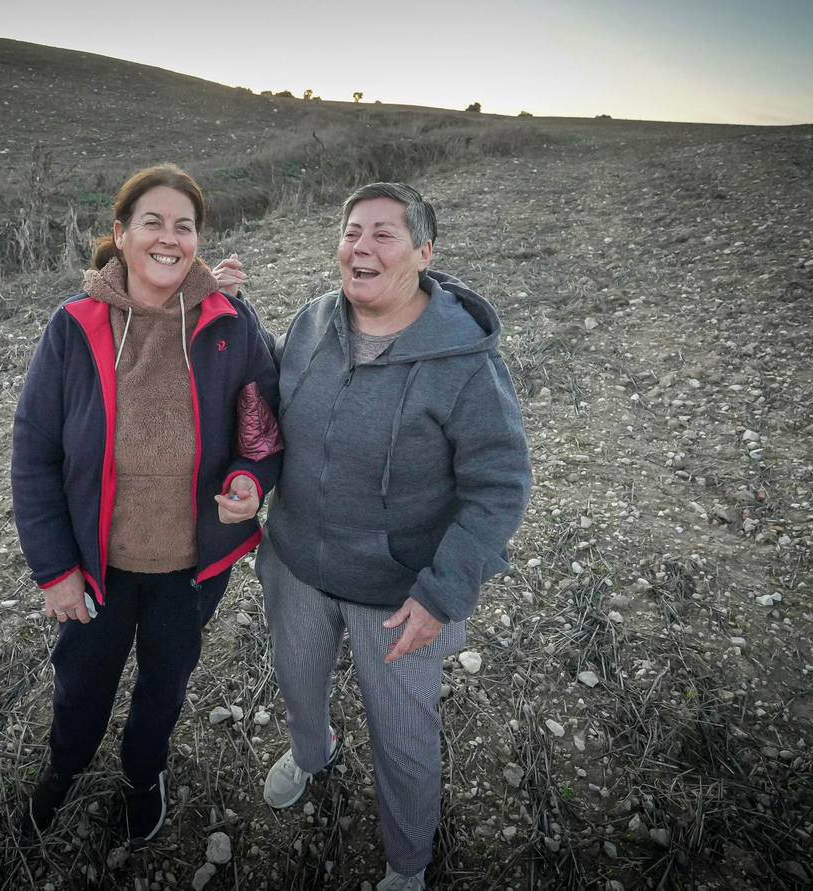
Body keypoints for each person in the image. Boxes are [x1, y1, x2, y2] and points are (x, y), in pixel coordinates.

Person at [256, 182, 531, 891]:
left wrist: (442, 593)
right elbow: (267, 404)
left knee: (405, 738)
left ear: (423, 252)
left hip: (399, 591)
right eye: (352, 231)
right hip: (296, 561)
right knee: (297, 678)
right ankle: (312, 754)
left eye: (384, 233)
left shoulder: (464, 362)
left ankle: (407, 864)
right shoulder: (314, 320)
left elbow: (499, 486)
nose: (362, 247)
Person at [11, 164, 280, 843]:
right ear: (121, 234)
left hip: (192, 566)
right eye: (153, 222)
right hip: (98, 564)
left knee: (165, 681)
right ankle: (65, 765)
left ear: (198, 240)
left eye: (184, 226)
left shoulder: (229, 321)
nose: (170, 238)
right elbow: (35, 452)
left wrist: (251, 480)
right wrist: (55, 569)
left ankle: (142, 770)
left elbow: (262, 427)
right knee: (81, 679)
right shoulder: (73, 326)